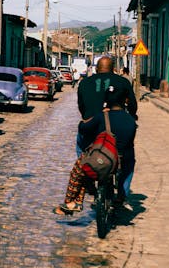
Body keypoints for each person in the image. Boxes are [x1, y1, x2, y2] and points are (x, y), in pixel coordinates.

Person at [54, 83, 138, 215]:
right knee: (130, 160)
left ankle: (74, 202)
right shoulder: (131, 121)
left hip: (102, 159)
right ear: (124, 101)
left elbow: (83, 128)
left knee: (81, 167)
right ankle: (122, 196)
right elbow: (129, 142)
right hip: (121, 161)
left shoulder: (102, 117)